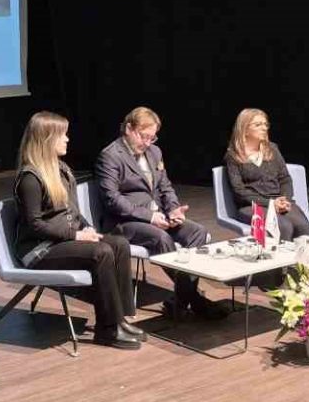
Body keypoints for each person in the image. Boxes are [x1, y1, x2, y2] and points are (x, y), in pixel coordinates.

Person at [13, 112, 141, 350]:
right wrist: (76, 235)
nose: (67, 139)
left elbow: (71, 210)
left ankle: (120, 319)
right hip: (39, 249)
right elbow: (35, 225)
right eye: (62, 135)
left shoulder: (61, 169)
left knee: (118, 244)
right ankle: (107, 329)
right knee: (101, 252)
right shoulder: (30, 178)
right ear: (47, 139)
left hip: (60, 241)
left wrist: (86, 227)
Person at [96, 107, 225, 320]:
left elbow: (165, 187)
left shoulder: (155, 152)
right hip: (124, 222)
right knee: (161, 237)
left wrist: (173, 208)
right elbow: (112, 199)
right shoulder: (110, 156)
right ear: (128, 129)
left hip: (159, 215)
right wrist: (149, 217)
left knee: (197, 232)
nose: (147, 142)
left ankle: (181, 300)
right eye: (143, 136)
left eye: (152, 137)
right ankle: (195, 300)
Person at [224, 108, 309, 241]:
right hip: (252, 206)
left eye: (265, 124)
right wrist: (271, 204)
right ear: (245, 129)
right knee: (283, 226)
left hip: (278, 201)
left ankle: (302, 255)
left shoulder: (272, 149)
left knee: (302, 226)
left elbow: (285, 178)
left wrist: (284, 200)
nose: (264, 128)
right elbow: (239, 191)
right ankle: (280, 255)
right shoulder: (233, 156)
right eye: (258, 125)